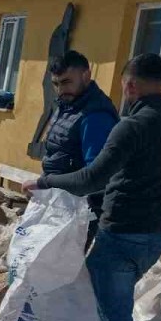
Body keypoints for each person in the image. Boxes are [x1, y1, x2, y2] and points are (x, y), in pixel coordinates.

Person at [23, 53, 161, 321]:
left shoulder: (130, 127)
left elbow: (92, 178)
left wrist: (45, 182)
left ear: (130, 85)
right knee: (104, 314)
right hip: (153, 237)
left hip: (119, 237)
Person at [41, 50, 119, 247]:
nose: (60, 90)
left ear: (86, 75)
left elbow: (96, 176)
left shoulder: (96, 116)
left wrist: (45, 184)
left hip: (77, 212)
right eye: (56, 84)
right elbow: (58, 153)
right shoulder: (67, 105)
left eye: (66, 82)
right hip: (57, 202)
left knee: (60, 264)